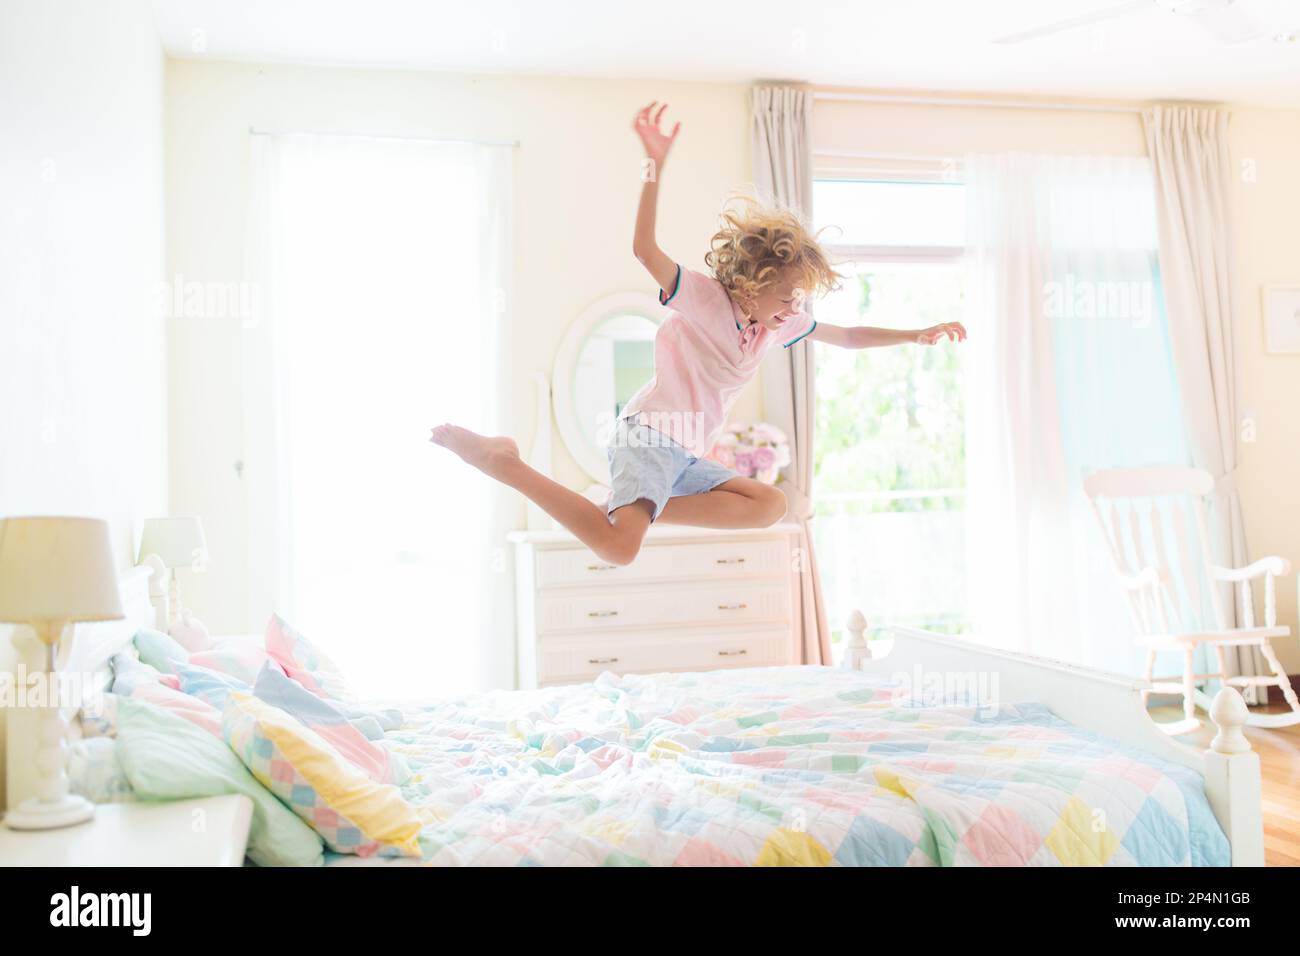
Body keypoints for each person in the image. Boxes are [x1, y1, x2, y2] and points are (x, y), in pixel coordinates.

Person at [431, 101, 966, 567]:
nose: (793, 309)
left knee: (772, 505)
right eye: (786, 297)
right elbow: (644, 250)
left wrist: (916, 333)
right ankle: (506, 462)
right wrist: (653, 163)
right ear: (753, 285)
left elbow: (848, 336)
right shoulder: (706, 299)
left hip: (684, 453)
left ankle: (632, 510)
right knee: (619, 548)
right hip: (649, 436)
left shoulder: (776, 327)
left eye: (799, 300)